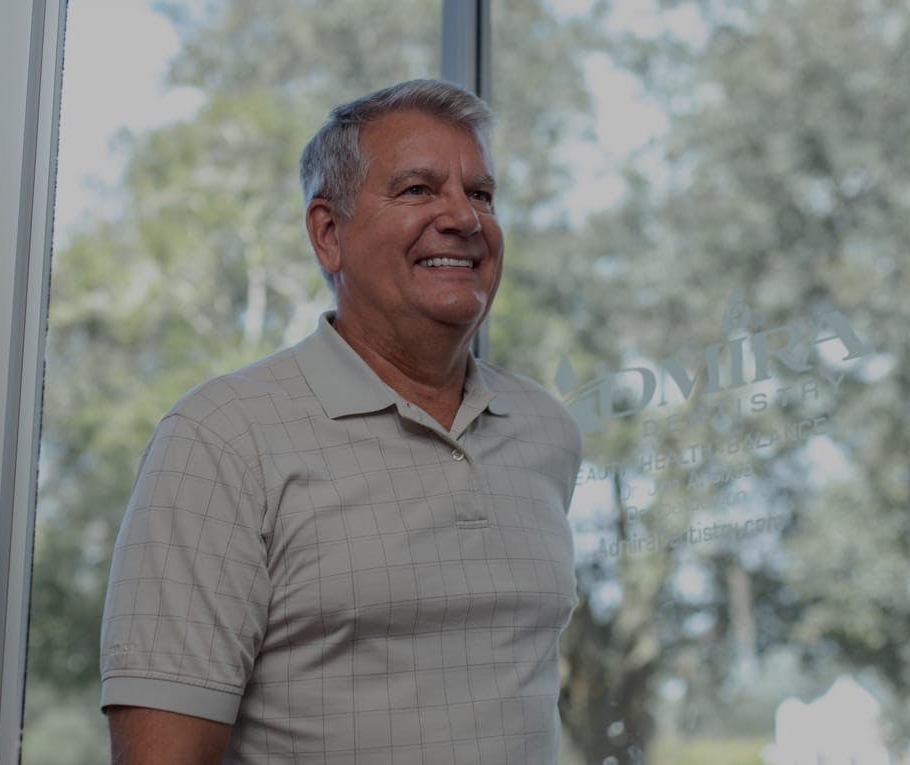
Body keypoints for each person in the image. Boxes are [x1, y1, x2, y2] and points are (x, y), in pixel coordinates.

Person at [100, 79, 582, 764]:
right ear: (329, 235)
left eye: (480, 193)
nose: (464, 218)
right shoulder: (221, 436)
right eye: (418, 190)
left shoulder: (545, 430)